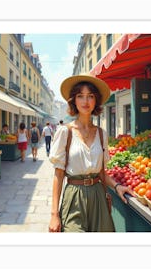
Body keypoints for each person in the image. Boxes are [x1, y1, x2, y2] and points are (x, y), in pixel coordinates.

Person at [48, 74, 135, 232]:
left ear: (96, 101)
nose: (85, 101)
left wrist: (117, 186)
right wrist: (54, 214)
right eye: (80, 96)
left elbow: (101, 172)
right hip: (74, 196)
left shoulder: (102, 134)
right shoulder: (65, 132)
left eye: (90, 96)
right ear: (74, 100)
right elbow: (58, 175)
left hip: (98, 196)